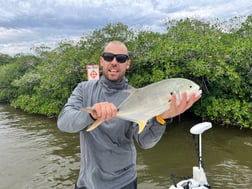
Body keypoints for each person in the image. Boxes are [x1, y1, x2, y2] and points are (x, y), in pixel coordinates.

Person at [57, 40, 201, 189]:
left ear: (128, 63)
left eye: (121, 58)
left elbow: (145, 142)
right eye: (108, 57)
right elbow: (64, 122)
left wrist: (161, 119)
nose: (114, 62)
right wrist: (92, 115)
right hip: (87, 182)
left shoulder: (140, 97)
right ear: (101, 61)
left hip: (123, 182)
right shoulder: (83, 89)